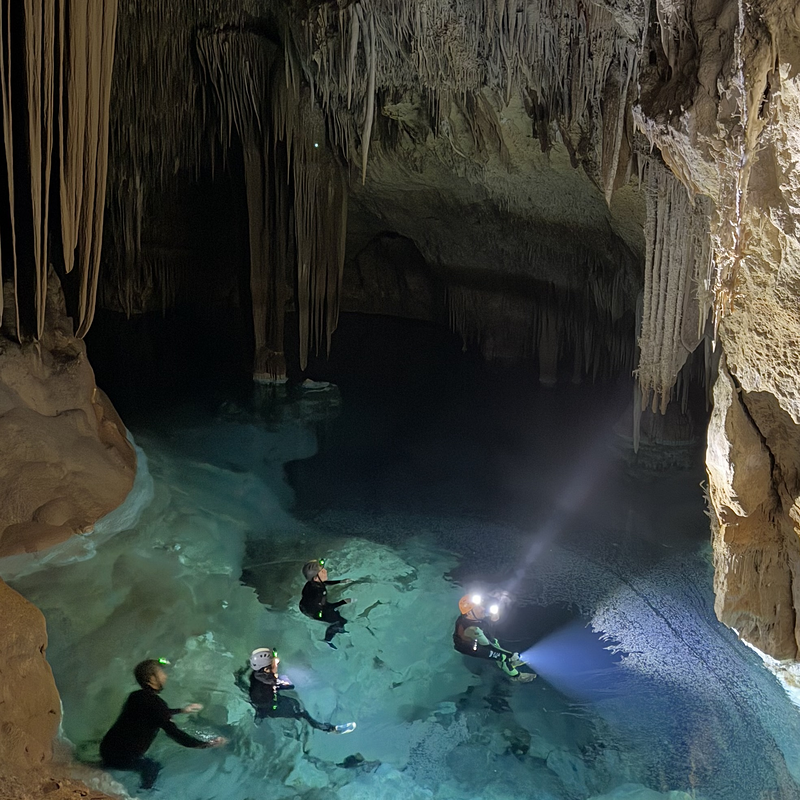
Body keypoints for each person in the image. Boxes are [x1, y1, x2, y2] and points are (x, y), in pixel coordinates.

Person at [100, 659, 226, 790]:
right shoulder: (157, 704)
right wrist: (206, 744)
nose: (165, 676)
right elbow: (176, 735)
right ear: (152, 679)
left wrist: (182, 710)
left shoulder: (135, 696)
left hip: (106, 748)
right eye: (161, 673)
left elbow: (154, 713)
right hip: (122, 758)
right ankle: (142, 793)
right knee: (153, 767)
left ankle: (104, 766)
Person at [236, 647, 356, 734]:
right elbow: (286, 684)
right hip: (270, 706)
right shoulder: (266, 679)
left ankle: (261, 714)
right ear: (266, 668)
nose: (276, 662)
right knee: (301, 712)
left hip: (266, 699)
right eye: (273, 662)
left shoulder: (258, 675)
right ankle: (331, 729)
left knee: (290, 701)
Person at [453, 595, 535, 682]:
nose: (482, 608)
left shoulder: (470, 617)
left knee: (494, 641)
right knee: (502, 657)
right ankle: (516, 676)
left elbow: (488, 621)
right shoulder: (472, 630)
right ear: (469, 613)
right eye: (478, 607)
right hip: (471, 648)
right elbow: (489, 646)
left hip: (479, 639)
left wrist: (493, 616)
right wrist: (510, 655)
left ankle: (511, 661)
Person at [299, 559, 353, 647]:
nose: (325, 571)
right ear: (316, 578)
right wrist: (343, 602)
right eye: (322, 572)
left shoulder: (313, 583)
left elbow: (324, 583)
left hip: (308, 606)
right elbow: (326, 607)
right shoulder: (318, 594)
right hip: (314, 611)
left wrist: (341, 581)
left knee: (337, 615)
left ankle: (338, 628)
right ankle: (328, 639)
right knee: (339, 620)